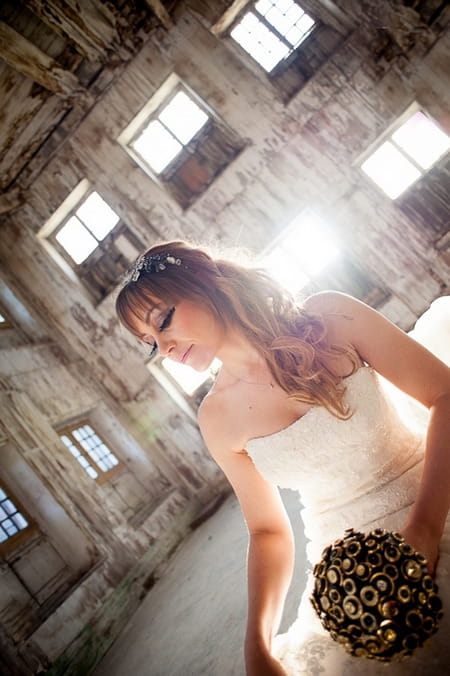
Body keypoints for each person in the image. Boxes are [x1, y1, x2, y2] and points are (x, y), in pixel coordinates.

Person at [116, 240, 450, 676]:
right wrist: (256, 642)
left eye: (164, 320)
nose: (164, 347)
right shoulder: (217, 417)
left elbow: (444, 395)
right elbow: (268, 530)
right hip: (348, 567)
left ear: (206, 282)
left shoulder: (331, 317)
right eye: (149, 342)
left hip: (433, 496)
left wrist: (423, 530)